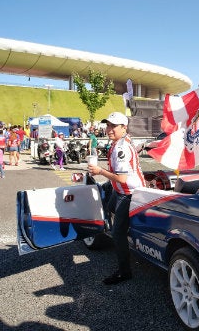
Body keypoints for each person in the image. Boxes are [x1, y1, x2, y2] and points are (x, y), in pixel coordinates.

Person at [88, 112, 145, 285]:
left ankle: (124, 272)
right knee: (108, 208)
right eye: (108, 125)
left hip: (128, 193)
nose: (109, 129)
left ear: (124, 127)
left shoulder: (120, 147)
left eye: (113, 126)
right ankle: (125, 227)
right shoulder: (119, 142)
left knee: (117, 233)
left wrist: (99, 172)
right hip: (120, 191)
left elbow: (122, 179)